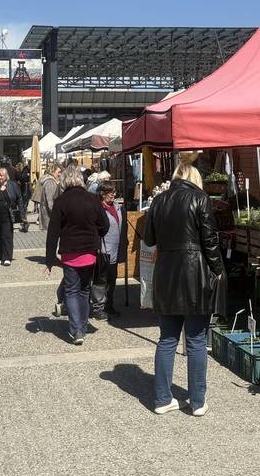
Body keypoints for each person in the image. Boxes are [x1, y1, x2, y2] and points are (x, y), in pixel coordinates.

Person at [143, 153, 224, 417]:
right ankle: (198, 400)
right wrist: (219, 269)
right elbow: (209, 239)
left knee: (167, 338)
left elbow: (149, 239)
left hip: (166, 271)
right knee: (196, 339)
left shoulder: (159, 200)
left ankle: (162, 398)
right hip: (194, 273)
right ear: (195, 178)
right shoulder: (200, 199)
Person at [45, 164, 108, 345]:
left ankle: (76, 330)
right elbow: (104, 225)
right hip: (90, 251)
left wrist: (49, 258)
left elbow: (53, 232)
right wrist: (96, 233)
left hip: (70, 253)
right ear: (81, 179)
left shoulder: (61, 201)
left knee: (71, 291)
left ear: (64, 180)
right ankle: (82, 325)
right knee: (84, 290)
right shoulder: (93, 199)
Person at [91, 181, 127, 320]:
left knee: (112, 280)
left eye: (114, 192)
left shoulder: (118, 208)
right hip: (103, 251)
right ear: (102, 194)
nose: (114, 195)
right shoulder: (97, 209)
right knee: (100, 280)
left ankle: (109, 305)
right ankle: (98, 308)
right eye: (110, 192)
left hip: (115, 250)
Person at [37, 163, 61, 231]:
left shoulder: (51, 181)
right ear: (53, 171)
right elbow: (50, 203)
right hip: (49, 218)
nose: (60, 174)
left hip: (49, 217)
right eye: (58, 172)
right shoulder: (50, 182)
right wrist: (58, 215)